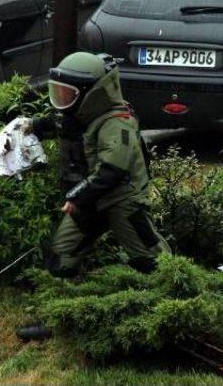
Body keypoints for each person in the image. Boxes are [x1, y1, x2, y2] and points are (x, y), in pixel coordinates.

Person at [17, 52, 170, 341]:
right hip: (88, 200)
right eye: (58, 93)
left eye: (67, 94)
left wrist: (76, 196)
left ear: (93, 94)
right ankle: (57, 315)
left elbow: (112, 170)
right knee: (61, 255)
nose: (61, 100)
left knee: (150, 259)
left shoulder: (117, 123)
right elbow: (59, 123)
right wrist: (33, 125)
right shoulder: (79, 116)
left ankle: (172, 305)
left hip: (121, 200)